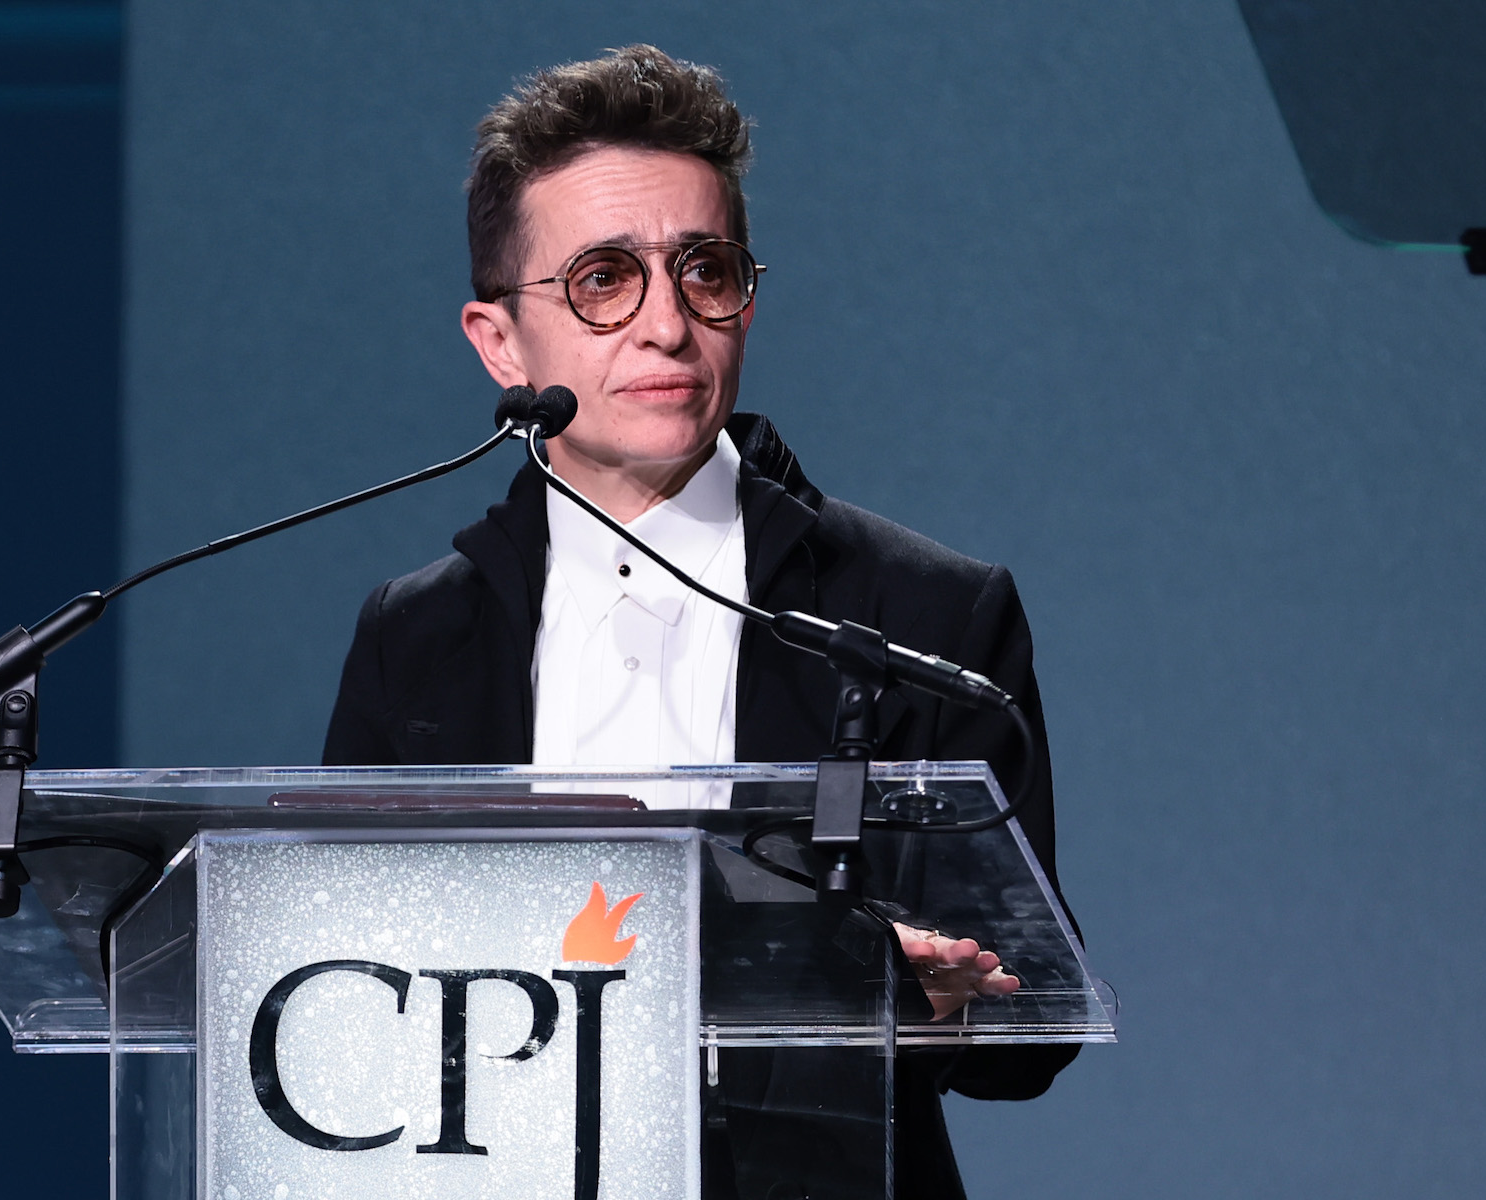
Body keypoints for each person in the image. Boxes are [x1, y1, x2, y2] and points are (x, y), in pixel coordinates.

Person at [324, 44, 1076, 1197]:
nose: (667, 327)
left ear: (746, 298)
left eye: (704, 270)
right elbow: (341, 994)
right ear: (498, 340)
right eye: (603, 278)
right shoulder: (417, 636)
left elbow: (1030, 1028)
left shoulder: (923, 611)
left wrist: (904, 992)